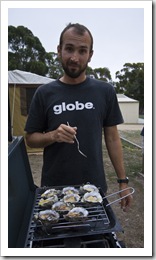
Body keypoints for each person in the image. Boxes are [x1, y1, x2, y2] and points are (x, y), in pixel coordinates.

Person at [25, 23, 133, 211]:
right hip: (54, 189)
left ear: (90, 55)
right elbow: (30, 139)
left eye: (82, 51)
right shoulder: (44, 93)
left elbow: (112, 138)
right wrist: (53, 135)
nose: (75, 58)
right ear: (59, 51)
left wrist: (123, 181)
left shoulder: (105, 91)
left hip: (94, 187)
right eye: (69, 49)